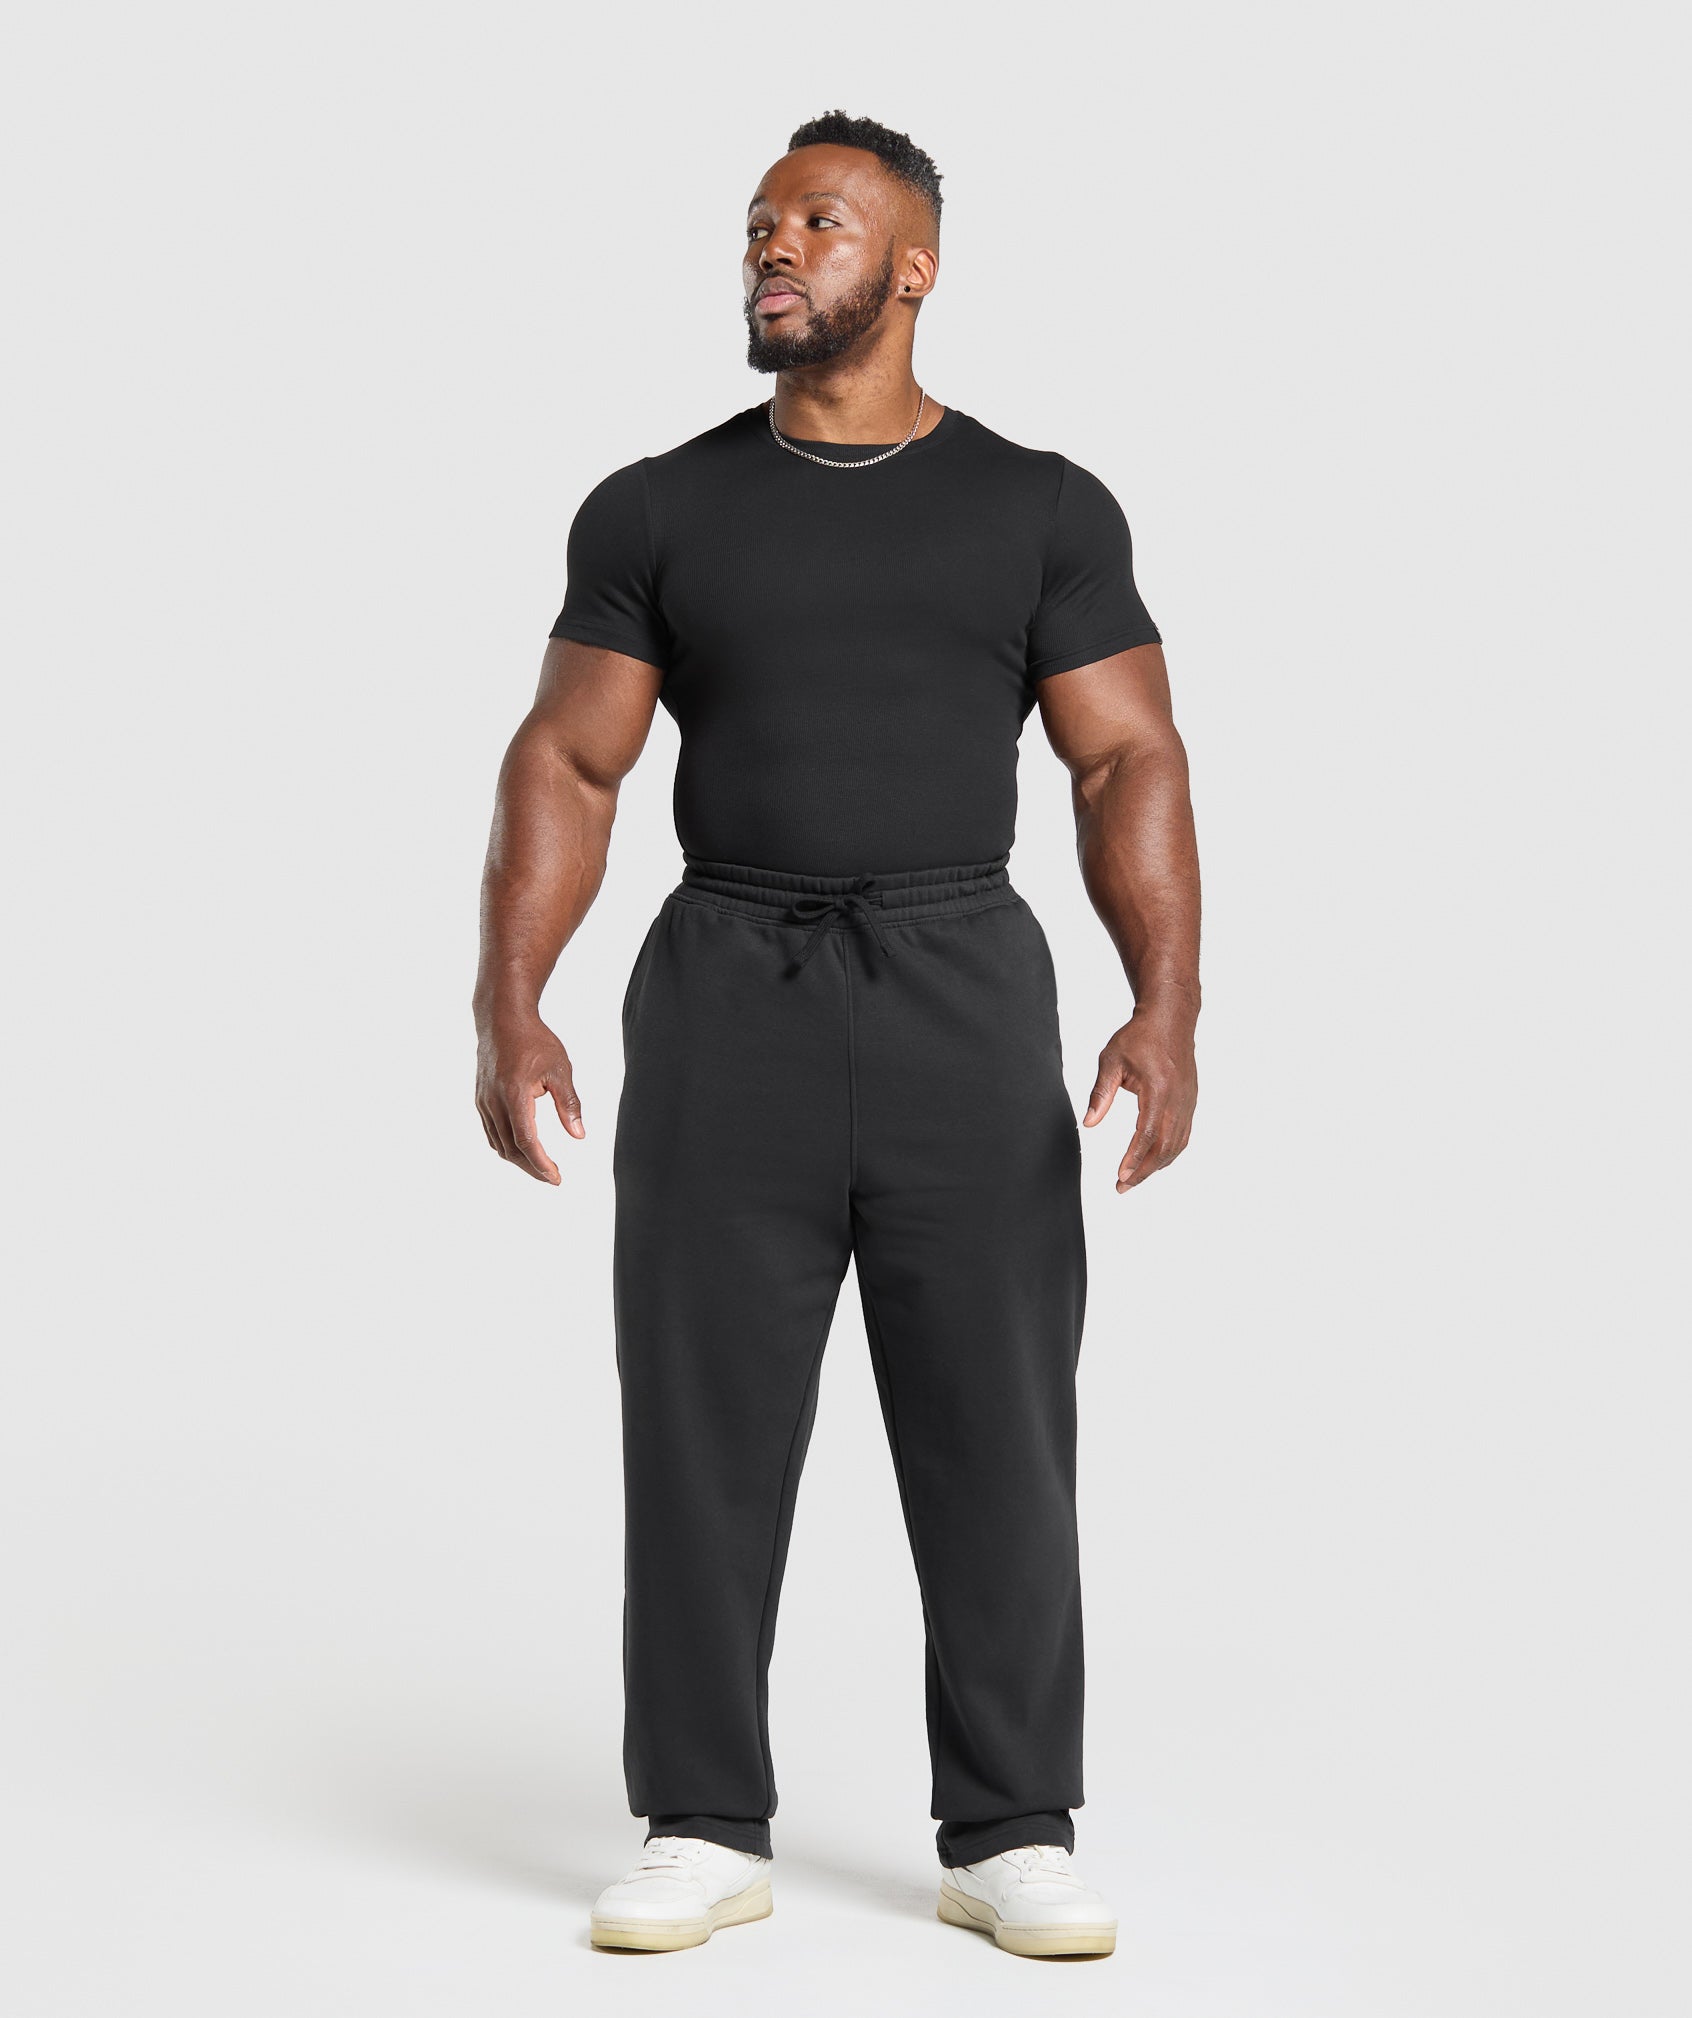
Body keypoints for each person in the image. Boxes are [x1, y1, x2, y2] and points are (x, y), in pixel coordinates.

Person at [472, 109, 1201, 1961]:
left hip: (964, 978)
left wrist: (1168, 1004)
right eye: (759, 223)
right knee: (701, 1423)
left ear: (916, 266)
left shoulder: (1042, 505)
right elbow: (570, 757)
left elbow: (1125, 756)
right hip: (731, 979)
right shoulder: (657, 507)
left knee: (999, 1424)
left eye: (820, 221)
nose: (775, 247)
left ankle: (1010, 1827)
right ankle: (702, 1820)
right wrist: (509, 996)